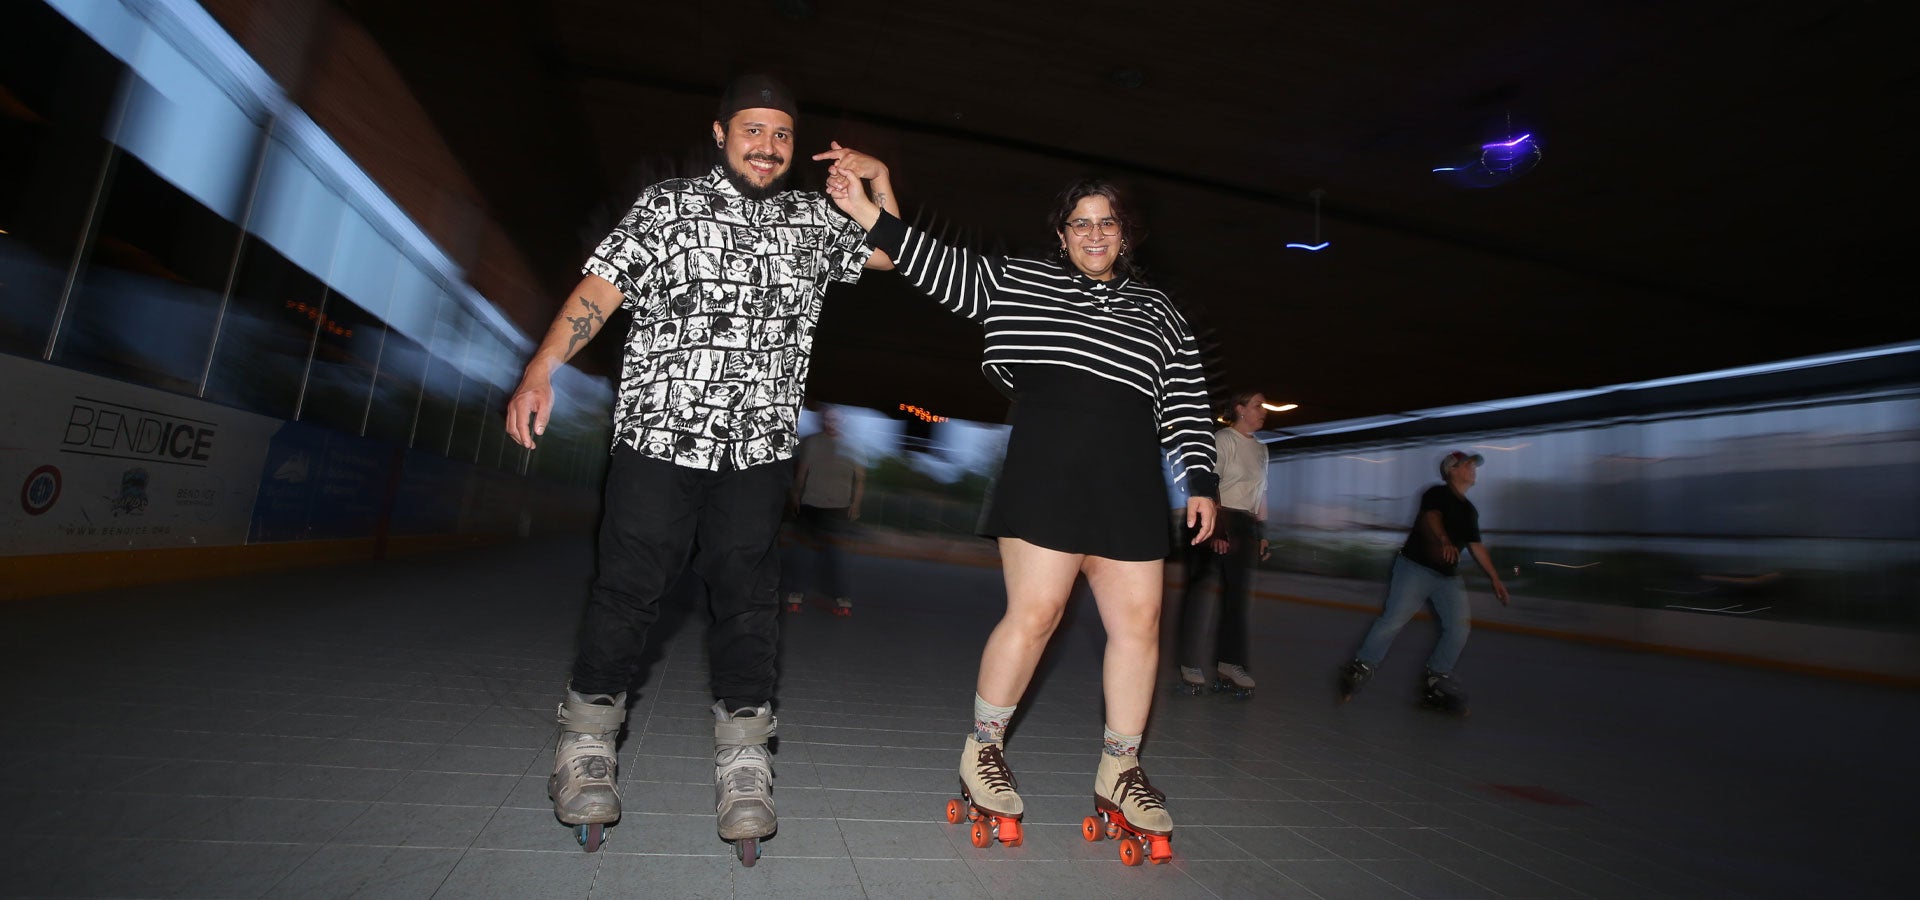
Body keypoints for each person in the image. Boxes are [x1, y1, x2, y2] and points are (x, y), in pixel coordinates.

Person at [503, 74, 899, 860]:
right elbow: (601, 289)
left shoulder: (815, 221)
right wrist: (541, 366)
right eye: (753, 130)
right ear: (721, 134)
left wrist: (880, 182)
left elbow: (887, 253)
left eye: (783, 135)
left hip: (756, 450)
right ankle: (584, 748)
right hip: (658, 435)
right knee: (629, 588)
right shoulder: (668, 204)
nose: (768, 146)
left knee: (749, 600)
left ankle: (745, 765)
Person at [824, 170, 1217, 860]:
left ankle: (1120, 769)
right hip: (1046, 471)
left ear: (1125, 233)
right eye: (1080, 223)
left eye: (1107, 222)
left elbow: (1185, 393)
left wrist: (1202, 479)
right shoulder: (1020, 282)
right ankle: (983, 750)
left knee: (1141, 627)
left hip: (1129, 480)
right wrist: (866, 211)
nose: (1094, 234)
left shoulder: (1159, 310)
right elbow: (936, 264)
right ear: (1062, 236)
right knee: (1036, 615)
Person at [1338, 450, 1511, 711]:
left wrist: (1495, 579)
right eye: (1468, 465)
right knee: (1394, 619)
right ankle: (1361, 665)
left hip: (1447, 578)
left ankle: (1436, 678)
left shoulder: (1470, 511)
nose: (1473, 469)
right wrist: (1443, 539)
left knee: (1459, 628)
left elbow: (1476, 546)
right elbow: (1432, 517)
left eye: (1474, 465)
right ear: (1452, 470)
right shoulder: (1436, 493)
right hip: (1414, 569)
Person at [1177, 390, 1270, 698]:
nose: (1263, 411)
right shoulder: (1223, 439)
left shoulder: (1261, 450)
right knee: (1201, 593)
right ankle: (1189, 662)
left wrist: (1264, 532)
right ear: (1240, 409)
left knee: (1238, 598)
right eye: (1257, 405)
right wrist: (1216, 530)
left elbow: (1261, 492)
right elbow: (1209, 482)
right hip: (1215, 517)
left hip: (1245, 523)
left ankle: (1231, 662)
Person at [786, 407, 864, 614]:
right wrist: (796, 495)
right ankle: (796, 592)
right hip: (811, 503)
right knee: (801, 552)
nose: (830, 424)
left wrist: (855, 504)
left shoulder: (850, 446)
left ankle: (840, 596)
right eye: (827, 420)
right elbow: (802, 471)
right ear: (822, 421)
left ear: (841, 422)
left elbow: (861, 478)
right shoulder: (812, 442)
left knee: (833, 554)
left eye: (835, 420)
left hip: (837, 508)